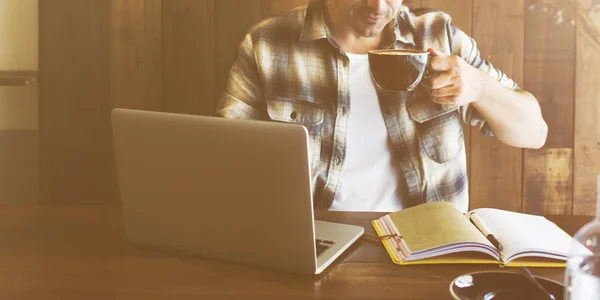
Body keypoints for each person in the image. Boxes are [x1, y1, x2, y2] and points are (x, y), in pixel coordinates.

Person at [215, 0, 548, 213]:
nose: (378, 6)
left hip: (429, 248)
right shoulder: (267, 44)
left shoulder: (437, 34)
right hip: (315, 243)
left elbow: (533, 132)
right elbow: (224, 159)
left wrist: (479, 87)